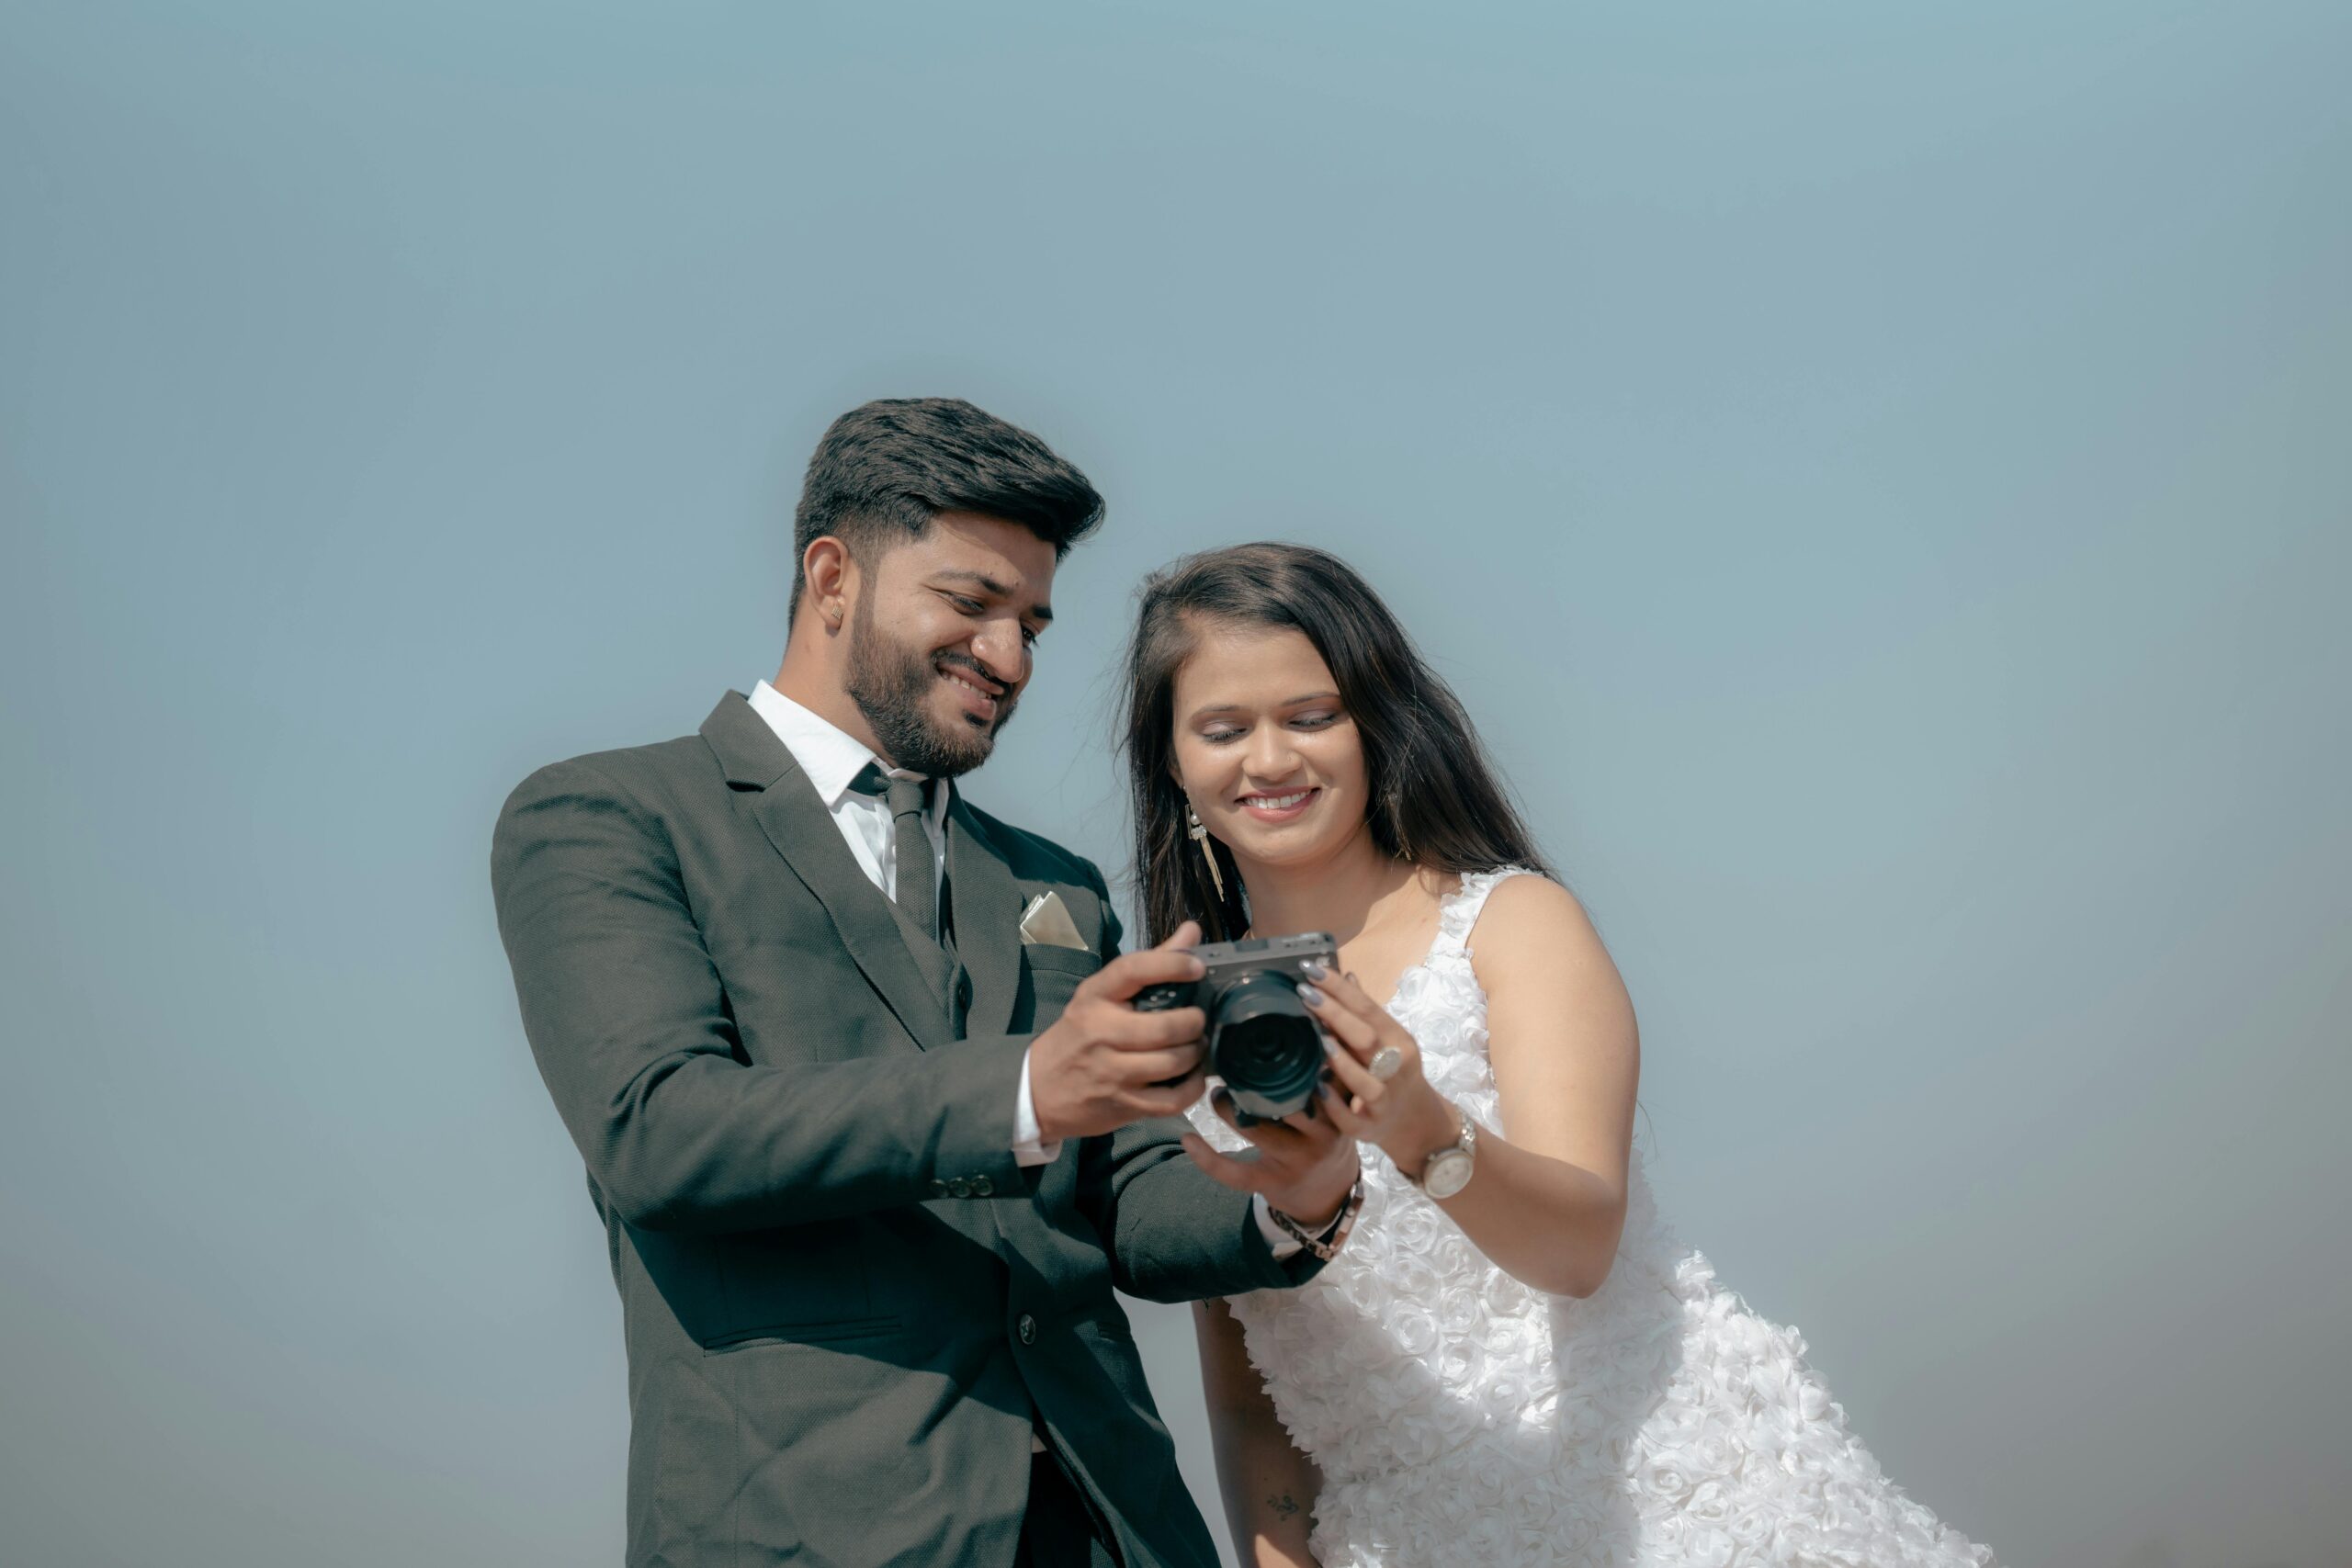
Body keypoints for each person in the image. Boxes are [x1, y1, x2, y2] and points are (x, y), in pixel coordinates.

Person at [490, 402, 1362, 1568]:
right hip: (809, 1529)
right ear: (832, 574)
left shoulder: (1055, 883)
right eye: (969, 604)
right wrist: (1028, 1089)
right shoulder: (608, 816)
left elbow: (1126, 1198)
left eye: (1033, 625)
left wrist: (1290, 1195)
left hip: (1114, 1528)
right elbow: (659, 1132)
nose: (1009, 659)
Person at [1120, 543, 1997, 1567]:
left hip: (1678, 1507)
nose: (1269, 761)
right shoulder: (1171, 1028)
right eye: (1223, 730)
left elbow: (1577, 1250)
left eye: (1310, 717)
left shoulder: (1509, 925)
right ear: (1174, 764)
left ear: (1375, 727)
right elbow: (1249, 1399)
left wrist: (1420, 1130)